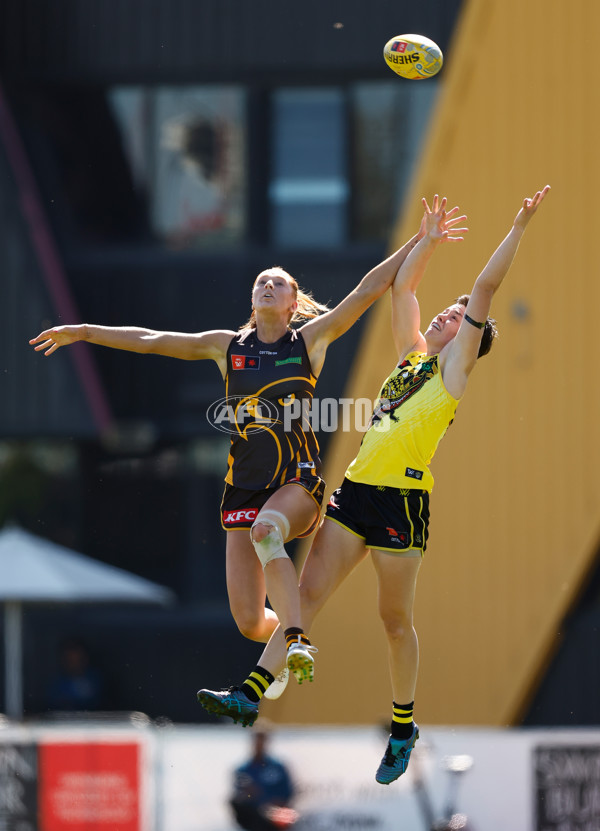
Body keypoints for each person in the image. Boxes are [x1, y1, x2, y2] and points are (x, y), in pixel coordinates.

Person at [197, 187, 550, 784]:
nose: (447, 315)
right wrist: (429, 241)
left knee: (393, 622)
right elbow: (404, 289)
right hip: (354, 494)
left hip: (402, 504)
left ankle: (403, 726)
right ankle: (251, 693)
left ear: (471, 339)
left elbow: (485, 292)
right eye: (448, 311)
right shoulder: (412, 356)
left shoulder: (453, 370)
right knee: (300, 605)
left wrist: (517, 224)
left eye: (458, 318)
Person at [29, 210, 440, 698]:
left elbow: (368, 290)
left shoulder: (308, 341)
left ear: (292, 304)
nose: (268, 286)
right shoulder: (228, 347)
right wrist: (83, 332)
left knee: (268, 529)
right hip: (242, 487)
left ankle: (295, 638)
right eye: (261, 282)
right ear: (252, 298)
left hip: (298, 484)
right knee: (248, 620)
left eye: (278, 284)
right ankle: (288, 642)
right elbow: (153, 341)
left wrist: (420, 241)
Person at [230, 724, 297, 831]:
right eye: (257, 740)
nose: (259, 744)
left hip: (275, 812)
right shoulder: (244, 770)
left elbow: (288, 791)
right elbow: (239, 795)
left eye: (262, 741)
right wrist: (250, 794)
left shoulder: (277, 767)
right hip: (253, 813)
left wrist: (274, 801)